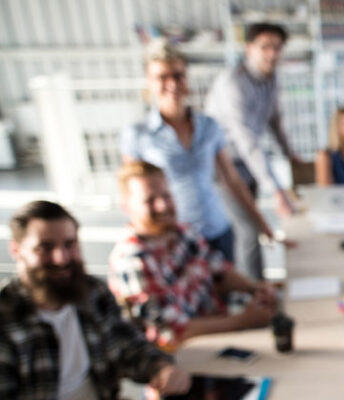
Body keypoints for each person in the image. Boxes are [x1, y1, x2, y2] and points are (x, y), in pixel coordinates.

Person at [0, 200, 190, 398]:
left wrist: (160, 369)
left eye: (69, 244)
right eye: (45, 248)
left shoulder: (92, 292)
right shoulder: (5, 316)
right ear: (16, 250)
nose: (61, 258)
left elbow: (129, 346)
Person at [121, 39, 281, 265]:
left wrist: (262, 223)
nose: (172, 84)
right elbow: (131, 195)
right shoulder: (138, 135)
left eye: (178, 75)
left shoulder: (209, 126)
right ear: (149, 82)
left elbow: (232, 180)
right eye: (162, 77)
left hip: (217, 230)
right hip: (173, 238)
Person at [108, 161, 278, 350]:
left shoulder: (183, 232)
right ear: (126, 207)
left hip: (219, 333)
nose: (163, 205)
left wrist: (255, 288)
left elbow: (220, 271)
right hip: (187, 355)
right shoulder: (132, 260)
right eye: (150, 200)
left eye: (166, 195)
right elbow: (173, 332)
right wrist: (244, 320)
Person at [205, 22, 300, 280]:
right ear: (249, 49)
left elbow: (274, 120)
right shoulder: (232, 83)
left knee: (254, 229)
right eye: (265, 47)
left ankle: (258, 288)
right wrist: (277, 190)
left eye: (277, 47)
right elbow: (247, 141)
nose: (272, 53)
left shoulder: (272, 79)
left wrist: (290, 154)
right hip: (224, 165)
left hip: (248, 163)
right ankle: (255, 296)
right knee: (248, 230)